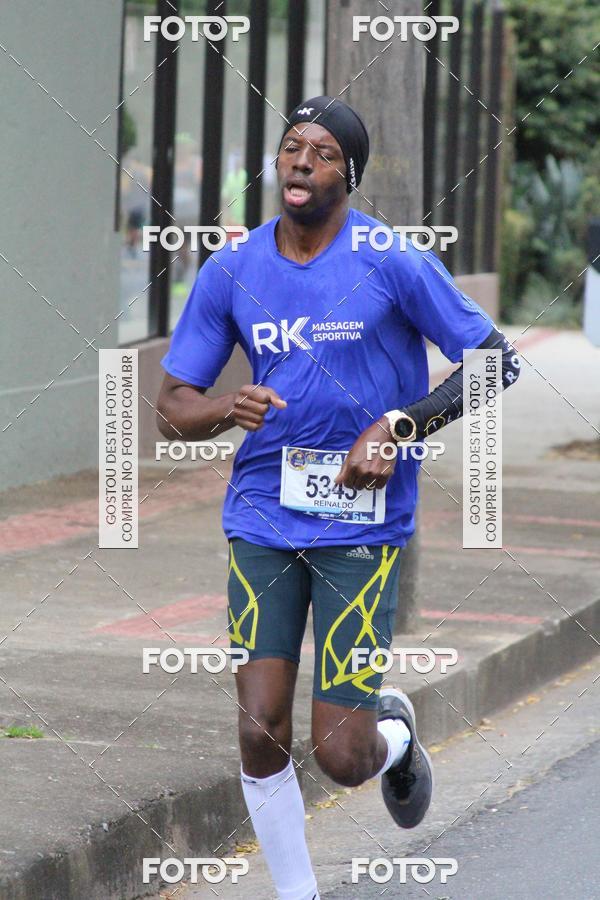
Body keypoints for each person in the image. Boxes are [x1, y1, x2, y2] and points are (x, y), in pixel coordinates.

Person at [157, 96, 520, 900]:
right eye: (292, 148)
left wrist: (397, 424)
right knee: (259, 730)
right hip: (261, 515)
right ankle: (299, 894)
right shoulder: (233, 269)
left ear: (347, 173)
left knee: (340, 756)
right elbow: (173, 404)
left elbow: (497, 362)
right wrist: (225, 408)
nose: (300, 162)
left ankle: (394, 737)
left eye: (321, 152)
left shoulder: (392, 260)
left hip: (361, 526)